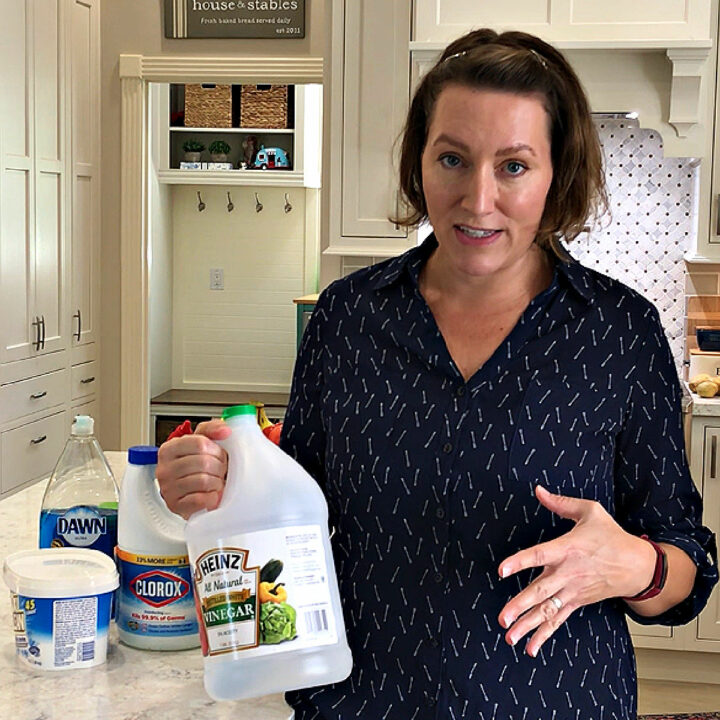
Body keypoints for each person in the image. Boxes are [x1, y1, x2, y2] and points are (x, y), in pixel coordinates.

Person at [157, 28, 718, 720]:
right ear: (418, 164)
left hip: (557, 703)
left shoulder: (617, 333)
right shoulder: (348, 320)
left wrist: (636, 564)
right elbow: (289, 519)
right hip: (361, 702)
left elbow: (689, 568)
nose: (477, 200)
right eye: (453, 158)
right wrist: (216, 482)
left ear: (556, 176)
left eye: (513, 166)